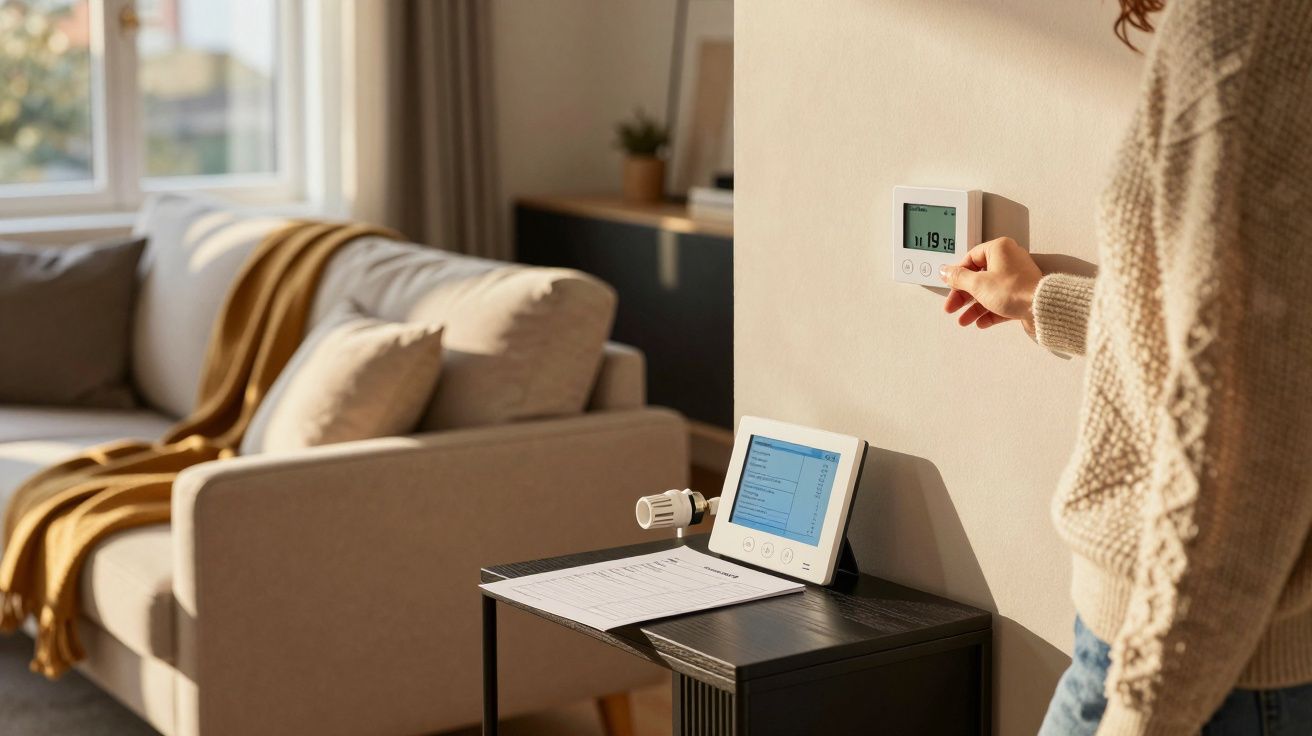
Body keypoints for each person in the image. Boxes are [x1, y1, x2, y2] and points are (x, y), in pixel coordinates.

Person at [937, 0, 1312, 733]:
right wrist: (1042, 299)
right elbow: (1253, 339)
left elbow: (1237, 436)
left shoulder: (1249, 23)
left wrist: (1144, 711)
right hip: (1209, 661)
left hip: (1195, 674)